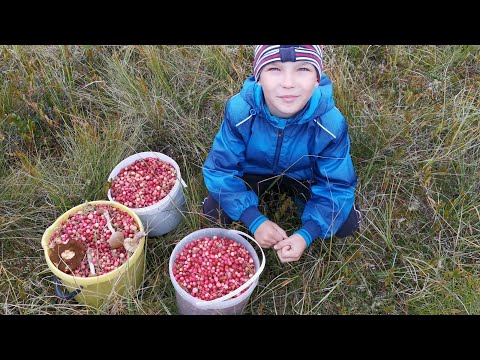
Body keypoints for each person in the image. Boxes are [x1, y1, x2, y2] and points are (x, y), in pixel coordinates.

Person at [202, 45, 360, 263]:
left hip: (304, 175)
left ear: (317, 78)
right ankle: (254, 201)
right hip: (253, 171)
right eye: (274, 69)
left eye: (303, 69)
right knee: (214, 211)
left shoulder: (330, 123)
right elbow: (220, 170)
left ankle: (302, 204)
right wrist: (254, 219)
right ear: (258, 77)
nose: (288, 83)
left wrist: (307, 234)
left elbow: (338, 186)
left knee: (347, 222)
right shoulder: (240, 111)